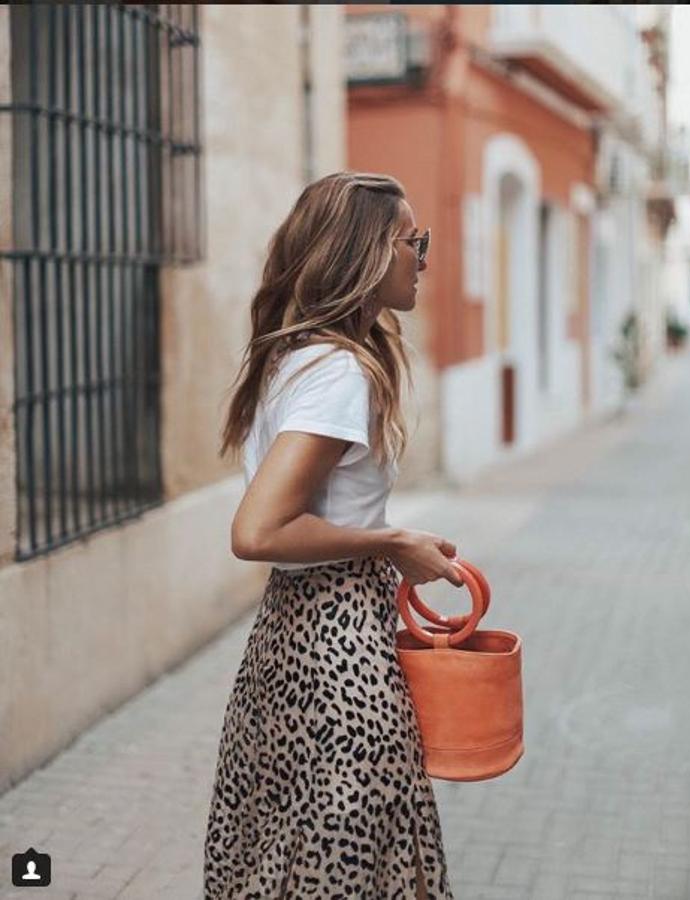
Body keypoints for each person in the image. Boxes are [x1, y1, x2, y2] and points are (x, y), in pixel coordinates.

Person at [204, 171, 464, 899]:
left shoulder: (299, 357)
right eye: (414, 241)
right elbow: (258, 529)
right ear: (368, 253)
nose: (423, 256)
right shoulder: (338, 373)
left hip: (290, 637)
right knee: (348, 858)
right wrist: (391, 543)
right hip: (338, 652)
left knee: (291, 852)